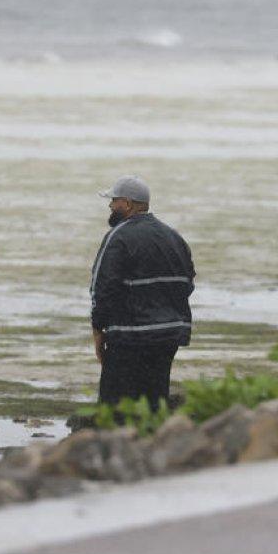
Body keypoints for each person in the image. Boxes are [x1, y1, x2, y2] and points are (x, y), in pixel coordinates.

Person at [90, 175, 195, 408]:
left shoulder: (118, 236)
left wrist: (98, 331)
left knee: (115, 405)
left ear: (127, 204)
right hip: (168, 336)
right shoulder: (174, 237)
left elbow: (102, 289)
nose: (110, 206)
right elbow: (187, 283)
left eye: (114, 201)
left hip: (129, 337)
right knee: (154, 403)